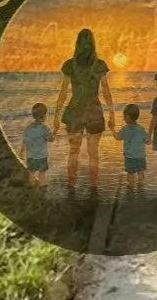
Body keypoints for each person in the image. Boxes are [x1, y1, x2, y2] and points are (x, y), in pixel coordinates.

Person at [53, 28, 113, 196]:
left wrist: (57, 116)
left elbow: (63, 92)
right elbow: (106, 92)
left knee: (73, 151)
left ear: (77, 44)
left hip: (75, 110)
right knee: (94, 152)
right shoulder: (99, 65)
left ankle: (71, 188)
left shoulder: (69, 65)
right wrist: (112, 114)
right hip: (94, 110)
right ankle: (93, 189)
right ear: (93, 44)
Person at [111, 104, 149, 196]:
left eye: (124, 116)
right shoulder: (141, 129)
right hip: (141, 156)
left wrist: (112, 129)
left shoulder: (125, 129)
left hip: (130, 157)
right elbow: (147, 141)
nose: (124, 118)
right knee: (141, 172)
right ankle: (141, 186)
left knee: (130, 173)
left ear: (127, 117)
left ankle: (131, 188)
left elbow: (117, 137)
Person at [19, 103, 54, 189]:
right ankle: (42, 187)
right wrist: (54, 134)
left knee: (31, 172)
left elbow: (25, 141)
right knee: (42, 173)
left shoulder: (28, 128)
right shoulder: (45, 129)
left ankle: (32, 186)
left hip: (31, 156)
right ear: (44, 116)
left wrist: (21, 152)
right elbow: (50, 139)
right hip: (42, 156)